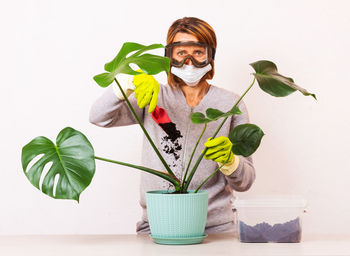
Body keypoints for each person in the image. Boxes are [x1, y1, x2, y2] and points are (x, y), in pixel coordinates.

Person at [89, 17, 255, 234]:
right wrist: (129, 84)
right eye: (181, 53)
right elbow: (99, 117)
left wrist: (231, 162)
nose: (189, 62)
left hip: (216, 229)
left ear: (210, 55)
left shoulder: (231, 103)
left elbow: (245, 182)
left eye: (197, 52)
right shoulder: (153, 95)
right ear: (170, 56)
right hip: (157, 225)